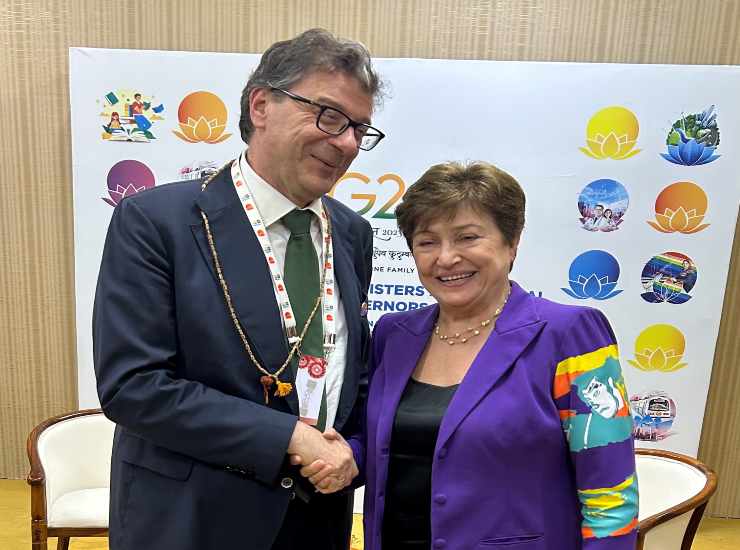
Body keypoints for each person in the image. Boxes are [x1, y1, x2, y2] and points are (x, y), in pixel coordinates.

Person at [93, 28, 385, 550]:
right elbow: (134, 385)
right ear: (261, 105)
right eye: (330, 116)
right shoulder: (158, 221)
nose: (346, 142)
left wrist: (354, 451)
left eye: (359, 128)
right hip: (193, 519)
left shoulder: (352, 233)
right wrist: (287, 437)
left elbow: (350, 370)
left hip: (318, 518)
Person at [302, 161, 638, 549]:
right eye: (427, 242)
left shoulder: (570, 335)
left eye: (467, 238)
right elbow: (384, 444)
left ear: (512, 243)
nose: (446, 258)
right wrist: (344, 457)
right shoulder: (393, 335)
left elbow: (611, 497)